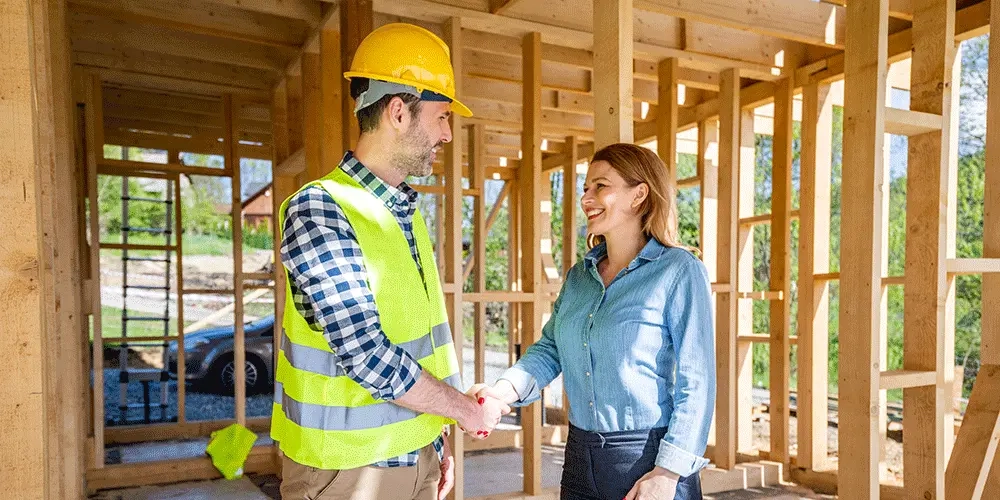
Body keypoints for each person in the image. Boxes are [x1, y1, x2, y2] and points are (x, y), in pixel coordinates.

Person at [271, 23, 509, 500]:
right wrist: (464, 410)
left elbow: (423, 345)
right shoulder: (322, 208)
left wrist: (436, 444)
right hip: (348, 471)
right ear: (399, 111)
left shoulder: (402, 212)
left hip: (414, 452)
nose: (445, 134)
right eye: (442, 117)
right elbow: (366, 354)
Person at [473, 143, 716, 500]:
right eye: (585, 188)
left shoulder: (678, 271)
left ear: (639, 195)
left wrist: (667, 472)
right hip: (579, 457)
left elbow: (698, 381)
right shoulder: (579, 277)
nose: (586, 197)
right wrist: (500, 393)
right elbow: (550, 350)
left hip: (647, 462)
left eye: (600, 186)